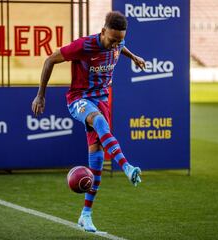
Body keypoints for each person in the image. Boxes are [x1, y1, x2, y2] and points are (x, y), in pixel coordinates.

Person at [31, 11, 145, 232]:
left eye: (119, 40)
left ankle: (86, 214)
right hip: (79, 99)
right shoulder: (83, 46)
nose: (115, 45)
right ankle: (127, 166)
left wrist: (134, 57)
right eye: (112, 39)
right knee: (100, 122)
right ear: (103, 32)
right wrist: (40, 95)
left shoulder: (117, 42)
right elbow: (49, 60)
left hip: (101, 99)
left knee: (97, 161)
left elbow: (121, 47)